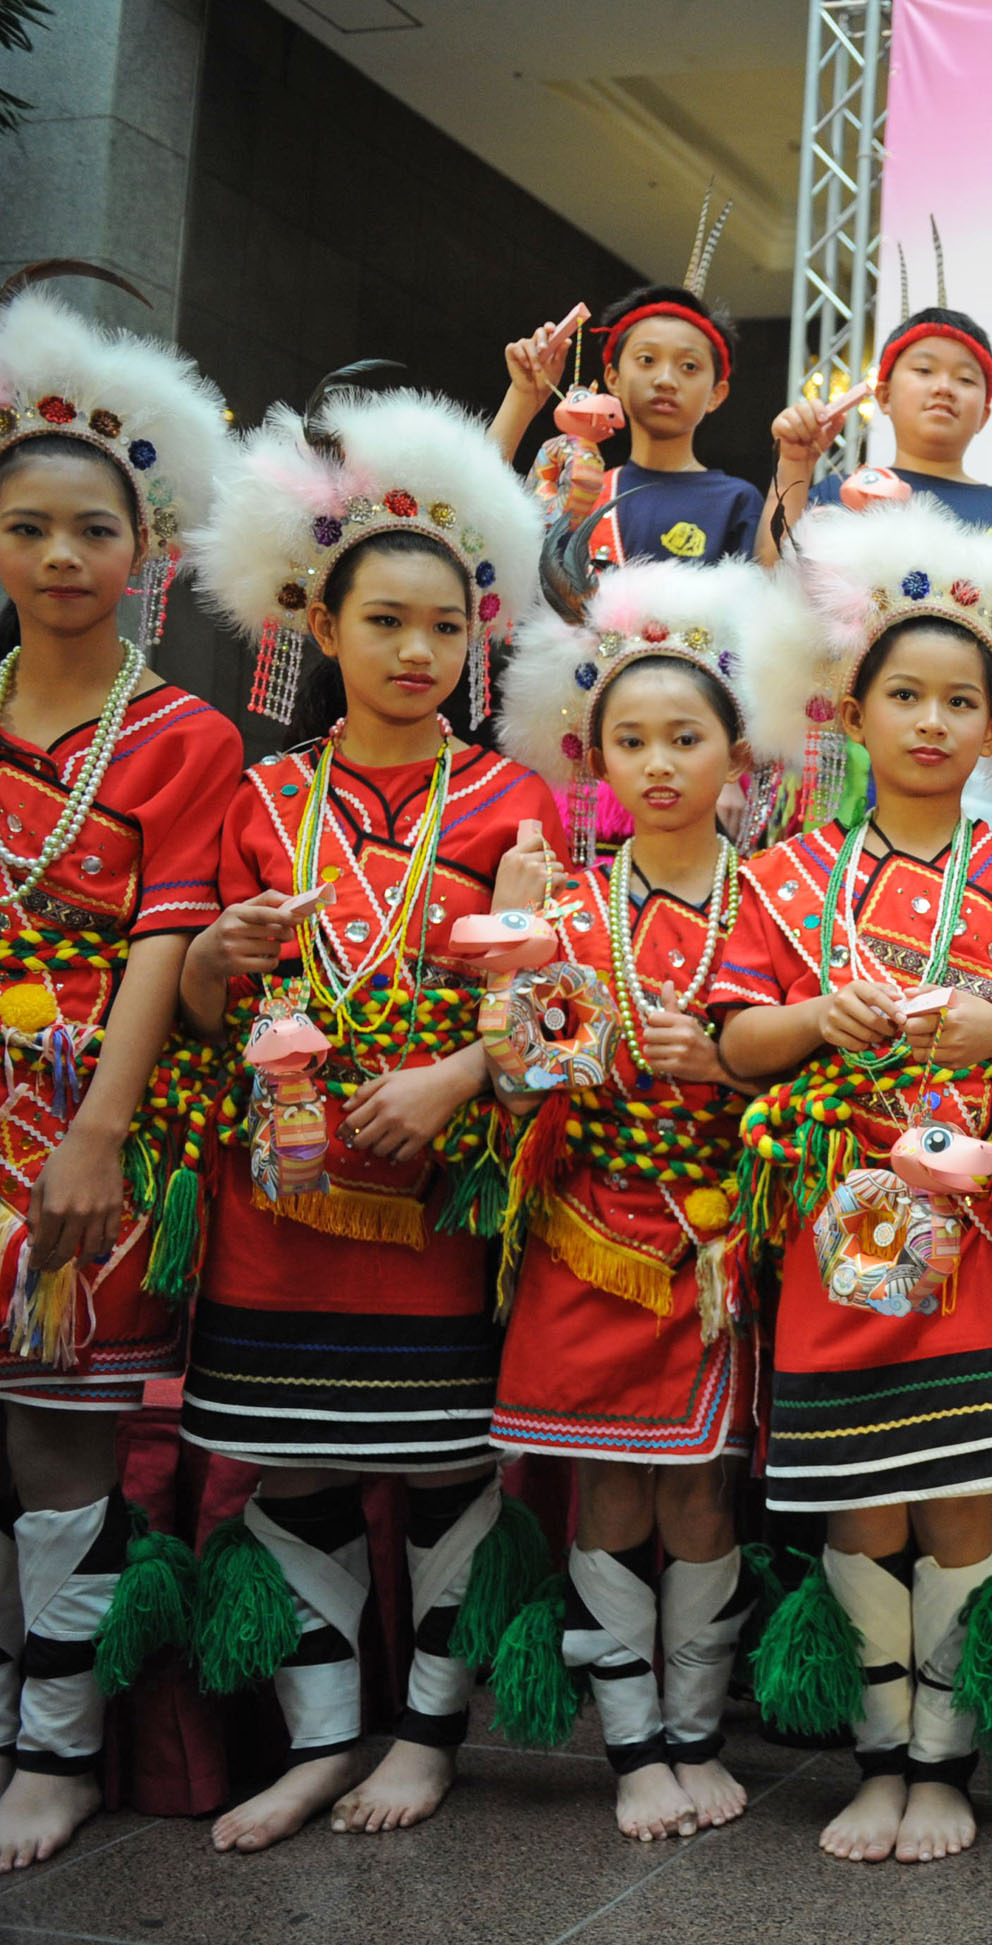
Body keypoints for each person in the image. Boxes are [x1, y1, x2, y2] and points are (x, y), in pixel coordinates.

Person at [714, 495, 992, 1866]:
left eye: (963, 702)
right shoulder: (786, 872)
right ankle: (880, 1758)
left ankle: (945, 1764)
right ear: (852, 712)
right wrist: (811, 1020)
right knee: (859, 1494)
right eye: (907, 695)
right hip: (832, 1231)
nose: (934, 722)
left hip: (973, 1232)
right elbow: (733, 1046)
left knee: (958, 1494)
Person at [179, 383, 563, 1851]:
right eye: (385, 621)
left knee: (450, 1469)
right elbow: (203, 1003)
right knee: (293, 1469)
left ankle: (426, 1735)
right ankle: (323, 1739)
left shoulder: (512, 801)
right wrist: (218, 961)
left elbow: (556, 1019)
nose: (417, 651)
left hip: (434, 1199)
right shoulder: (261, 794)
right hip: (280, 1194)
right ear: (319, 626)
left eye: (446, 627)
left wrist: (457, 1073)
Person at [480, 558, 799, 1840]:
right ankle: (632, 1751)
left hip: (724, 1246)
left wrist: (727, 1064)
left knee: (704, 1494)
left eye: (686, 737)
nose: (659, 763)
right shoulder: (561, 903)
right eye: (631, 740)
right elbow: (516, 1089)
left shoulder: (788, 897)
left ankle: (696, 1731)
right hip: (587, 1235)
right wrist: (510, 963)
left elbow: (823, 1069)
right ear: (592, 757)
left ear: (738, 754)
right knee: (608, 1493)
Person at [0, 279, 242, 1869]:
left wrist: (95, 1134)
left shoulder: (182, 734)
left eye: (94, 530)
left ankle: (59, 1743)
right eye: (29, 529)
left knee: (56, 1433)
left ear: (145, 550)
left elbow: (165, 944)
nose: (62, 557)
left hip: (84, 1112)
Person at [491, 191, 761, 569]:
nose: (666, 380)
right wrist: (523, 397)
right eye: (647, 360)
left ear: (717, 393)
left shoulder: (736, 502)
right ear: (613, 378)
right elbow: (472, 522)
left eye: (689, 366)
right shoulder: (576, 490)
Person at [761, 231, 992, 551]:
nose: (943, 387)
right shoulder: (839, 493)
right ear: (884, 396)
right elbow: (773, 573)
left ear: (984, 415)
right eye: (924, 370)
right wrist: (793, 468)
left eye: (965, 379)